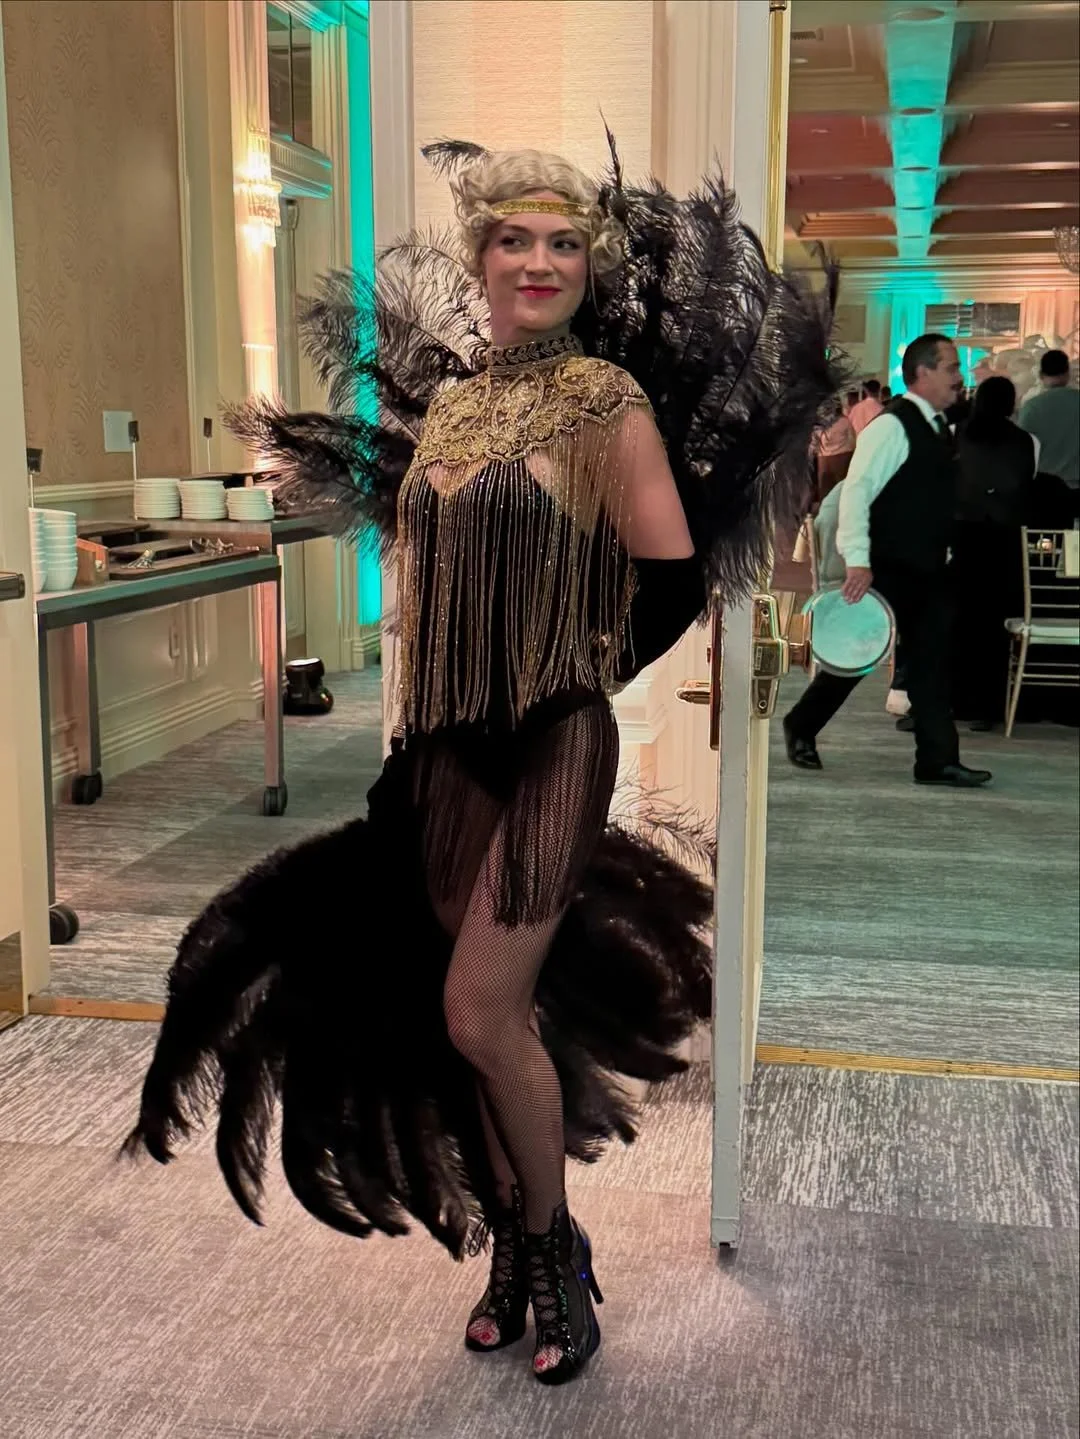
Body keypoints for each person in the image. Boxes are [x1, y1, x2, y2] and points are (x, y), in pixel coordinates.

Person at [123, 142, 837, 1386]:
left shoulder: (609, 404)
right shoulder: (453, 411)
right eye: (518, 240)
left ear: (584, 267)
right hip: (444, 747)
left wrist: (576, 667)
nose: (541, 261)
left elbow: (668, 576)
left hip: (554, 738)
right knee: (475, 1026)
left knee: (478, 1007)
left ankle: (556, 1253)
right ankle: (511, 1246)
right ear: (484, 259)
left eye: (565, 243)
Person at [782, 333, 991, 789]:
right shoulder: (892, 426)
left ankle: (937, 760)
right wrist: (857, 559)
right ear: (922, 374)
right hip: (889, 565)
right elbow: (856, 490)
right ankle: (801, 723)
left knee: (932, 660)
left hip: (929, 567)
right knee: (857, 654)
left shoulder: (936, 425)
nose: (959, 377)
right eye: (952, 368)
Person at [950, 376, 1038, 729]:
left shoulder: (960, 434)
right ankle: (989, 707)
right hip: (1004, 539)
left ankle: (956, 700)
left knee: (960, 621)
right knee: (994, 625)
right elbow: (1025, 484)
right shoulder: (1024, 441)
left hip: (964, 535)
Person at [1018, 349, 1079, 489]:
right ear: (1068, 373)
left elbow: (1022, 450)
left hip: (1045, 491)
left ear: (1040, 375)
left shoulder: (1031, 407)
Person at [814, 390, 857, 501]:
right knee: (840, 490)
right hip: (842, 458)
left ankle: (825, 516)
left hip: (823, 459)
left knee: (825, 491)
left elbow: (814, 443)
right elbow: (852, 441)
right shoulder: (844, 421)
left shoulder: (819, 423)